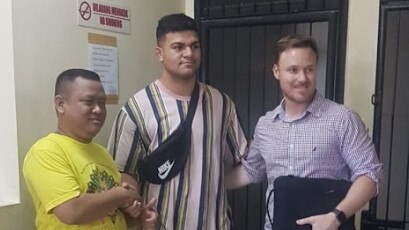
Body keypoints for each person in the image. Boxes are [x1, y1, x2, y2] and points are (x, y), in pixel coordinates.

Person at [226, 34, 383, 229]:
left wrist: (334, 217)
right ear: (276, 71)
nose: (302, 78)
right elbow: (252, 171)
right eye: (293, 70)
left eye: (309, 69)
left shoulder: (342, 119)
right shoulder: (266, 125)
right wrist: (204, 181)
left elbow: (370, 174)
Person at [107, 13, 248, 229]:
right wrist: (134, 206)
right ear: (159, 53)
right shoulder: (138, 109)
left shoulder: (221, 103)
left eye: (195, 46)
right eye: (178, 47)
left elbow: (242, 162)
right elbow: (122, 171)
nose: (189, 53)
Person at [23, 69, 158, 230]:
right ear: (60, 104)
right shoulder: (46, 151)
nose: (98, 110)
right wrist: (120, 195)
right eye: (88, 102)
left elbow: (108, 216)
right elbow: (72, 211)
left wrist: (136, 216)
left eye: (102, 103)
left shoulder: (102, 153)